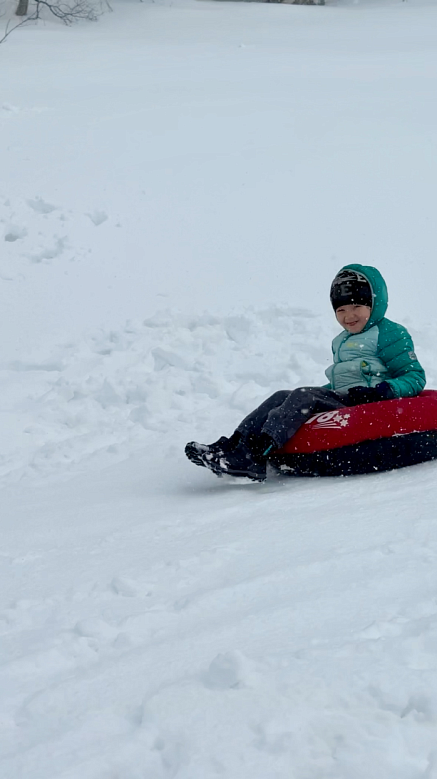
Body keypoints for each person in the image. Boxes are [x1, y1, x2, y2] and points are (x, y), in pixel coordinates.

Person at [185, 265, 426, 481]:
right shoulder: (340, 341)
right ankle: (234, 446)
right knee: (282, 395)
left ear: (375, 304)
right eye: (341, 309)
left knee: (304, 395)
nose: (349, 316)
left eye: (357, 307)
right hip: (345, 397)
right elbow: (341, 381)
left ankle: (258, 455)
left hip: (370, 400)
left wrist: (384, 390)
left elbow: (414, 376)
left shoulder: (390, 333)